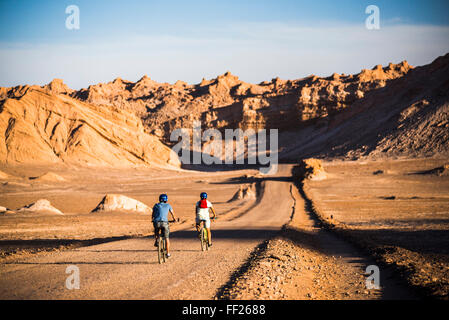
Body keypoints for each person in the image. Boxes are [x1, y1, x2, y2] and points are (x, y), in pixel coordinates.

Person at [152, 194, 177, 258]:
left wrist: (153, 219)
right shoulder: (168, 205)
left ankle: (157, 239)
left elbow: (153, 214)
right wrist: (175, 219)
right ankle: (168, 253)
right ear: (166, 199)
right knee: (166, 238)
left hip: (156, 222)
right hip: (165, 223)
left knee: (156, 230)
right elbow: (172, 213)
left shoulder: (156, 205)